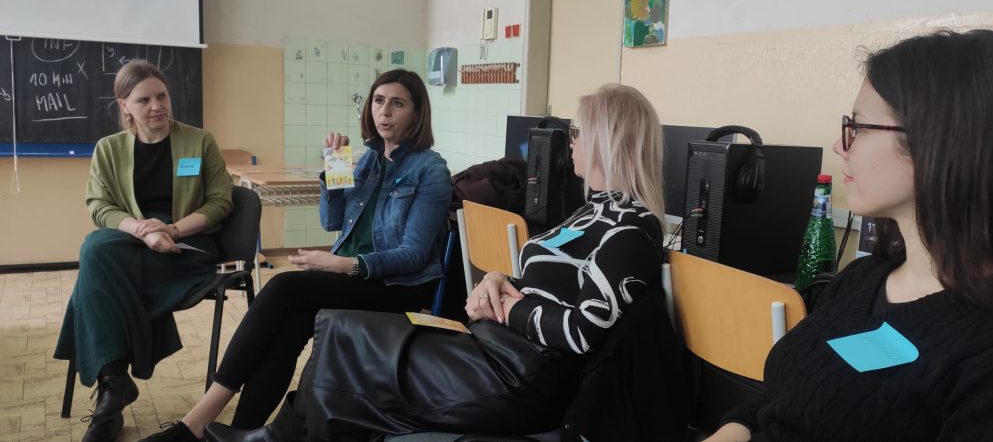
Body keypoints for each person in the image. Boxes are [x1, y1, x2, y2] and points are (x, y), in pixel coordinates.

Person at [201, 83, 668, 441]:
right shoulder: (593, 210)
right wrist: (498, 279)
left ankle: (257, 432)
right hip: (494, 345)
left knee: (328, 324)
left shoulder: (630, 227)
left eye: (578, 132)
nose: (570, 142)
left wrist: (508, 306)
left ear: (607, 140)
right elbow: (333, 219)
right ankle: (267, 433)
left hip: (514, 371)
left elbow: (582, 330)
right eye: (378, 102)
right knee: (334, 328)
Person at [706, 30, 993, 442]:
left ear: (938, 142)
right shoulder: (863, 279)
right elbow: (784, 396)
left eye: (858, 127)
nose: (840, 145)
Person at [143, 69, 452, 442]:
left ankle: (195, 424)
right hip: (352, 277)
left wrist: (343, 264)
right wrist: (334, 165)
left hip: (397, 287)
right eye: (379, 101)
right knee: (291, 324)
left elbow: (414, 255)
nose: (384, 111)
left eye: (398, 104)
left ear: (417, 115)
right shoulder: (369, 159)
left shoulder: (431, 169)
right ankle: (233, 433)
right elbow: (332, 220)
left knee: (283, 287)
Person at [54, 60, 234, 442]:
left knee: (94, 269)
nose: (157, 106)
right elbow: (99, 205)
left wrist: (171, 229)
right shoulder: (109, 149)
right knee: (97, 248)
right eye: (144, 100)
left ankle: (110, 392)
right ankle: (113, 384)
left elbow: (221, 201)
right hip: (133, 242)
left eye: (162, 96)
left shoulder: (200, 141)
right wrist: (140, 229)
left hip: (188, 248)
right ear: (124, 105)